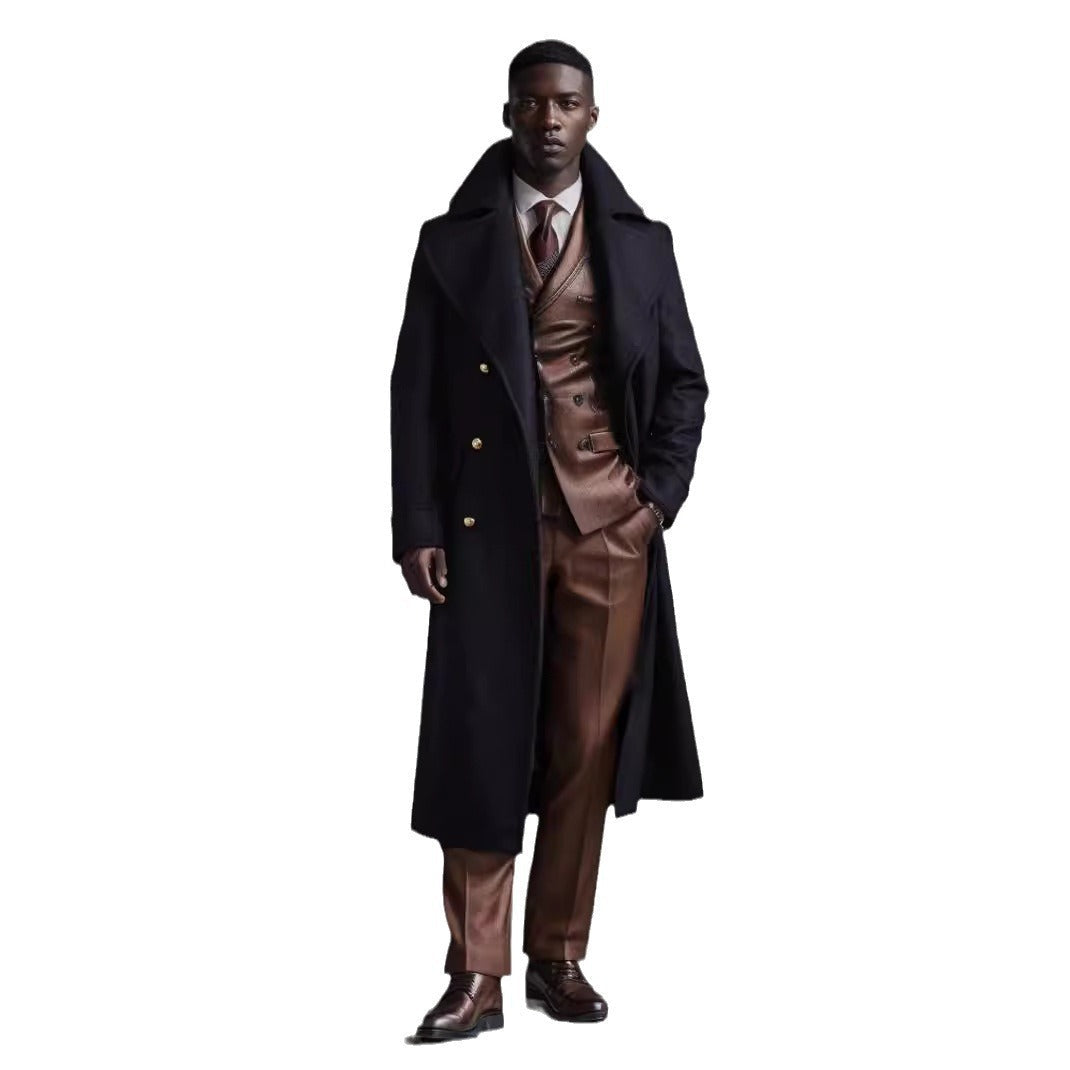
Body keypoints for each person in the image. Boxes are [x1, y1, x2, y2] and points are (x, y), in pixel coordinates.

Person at [390, 38, 708, 1042]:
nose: (549, 119)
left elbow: (685, 383)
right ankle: (474, 974)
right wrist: (416, 525)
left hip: (608, 528)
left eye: (567, 103)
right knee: (480, 745)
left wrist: (653, 503)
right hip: (483, 532)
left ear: (592, 115)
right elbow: (412, 392)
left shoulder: (644, 243)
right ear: (508, 114)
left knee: (585, 747)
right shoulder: (447, 242)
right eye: (532, 103)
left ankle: (556, 954)